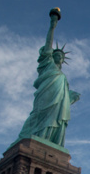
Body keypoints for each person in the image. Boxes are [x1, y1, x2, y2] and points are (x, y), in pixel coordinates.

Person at [14, 8, 80, 148]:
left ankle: (50, 142)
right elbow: (48, 44)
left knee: (56, 120)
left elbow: (65, 97)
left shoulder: (63, 77)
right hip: (46, 96)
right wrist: (52, 25)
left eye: (61, 56)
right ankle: (36, 138)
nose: (59, 57)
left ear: (63, 60)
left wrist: (71, 96)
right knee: (38, 116)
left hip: (58, 103)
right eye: (56, 55)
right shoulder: (48, 64)